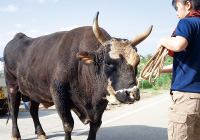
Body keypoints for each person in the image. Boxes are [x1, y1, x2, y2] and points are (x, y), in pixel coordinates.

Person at [157, 0, 200, 139]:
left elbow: (178, 45)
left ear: (188, 5)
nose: (177, 13)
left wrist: (163, 40)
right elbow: (188, 65)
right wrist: (159, 70)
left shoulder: (187, 22)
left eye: (177, 8)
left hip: (185, 98)